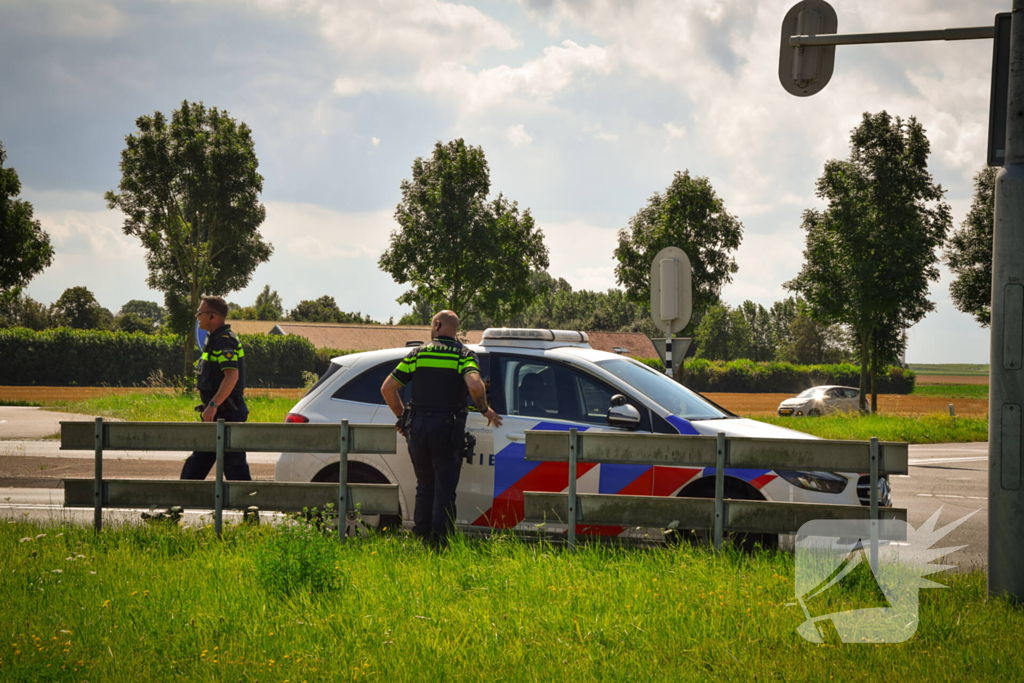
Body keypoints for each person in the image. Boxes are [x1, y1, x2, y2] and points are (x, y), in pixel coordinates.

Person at [380, 310, 501, 548]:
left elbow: (387, 388)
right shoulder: (463, 355)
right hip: (447, 428)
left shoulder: (418, 354)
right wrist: (484, 409)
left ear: (436, 325)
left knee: (424, 484)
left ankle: (421, 537)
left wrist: (403, 419)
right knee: (444, 487)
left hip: (418, 428)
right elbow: (475, 385)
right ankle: (440, 543)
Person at [179, 295, 252, 481]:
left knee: (235, 470)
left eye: (200, 312)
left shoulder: (224, 341)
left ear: (213, 316)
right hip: (217, 415)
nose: (197, 316)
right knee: (196, 466)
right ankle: (180, 497)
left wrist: (213, 404)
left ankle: (247, 501)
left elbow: (231, 376)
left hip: (228, 414)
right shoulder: (214, 339)